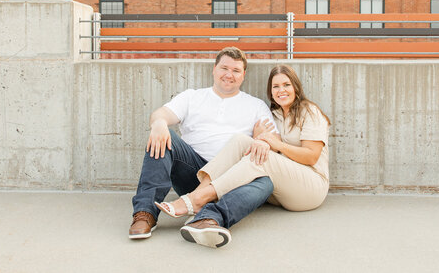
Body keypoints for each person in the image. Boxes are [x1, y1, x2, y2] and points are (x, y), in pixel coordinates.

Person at [129, 47, 277, 248]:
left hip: (232, 179)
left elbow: (272, 140)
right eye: (224, 68)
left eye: (236, 70)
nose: (229, 75)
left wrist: (262, 140)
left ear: (243, 75)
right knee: (165, 136)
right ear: (214, 69)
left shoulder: (256, 105)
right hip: (194, 173)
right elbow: (161, 114)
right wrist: (159, 123)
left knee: (266, 183)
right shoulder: (192, 97)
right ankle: (145, 213)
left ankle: (208, 217)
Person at [156, 64, 330, 227]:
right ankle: (200, 200)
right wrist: (260, 139)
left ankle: (197, 198)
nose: (281, 90)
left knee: (261, 158)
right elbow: (267, 147)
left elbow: (311, 156)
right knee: (241, 140)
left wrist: (275, 143)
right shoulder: (273, 116)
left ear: (296, 87)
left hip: (310, 187)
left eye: (286, 85)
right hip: (281, 188)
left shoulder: (309, 111)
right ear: (270, 91)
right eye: (276, 86)